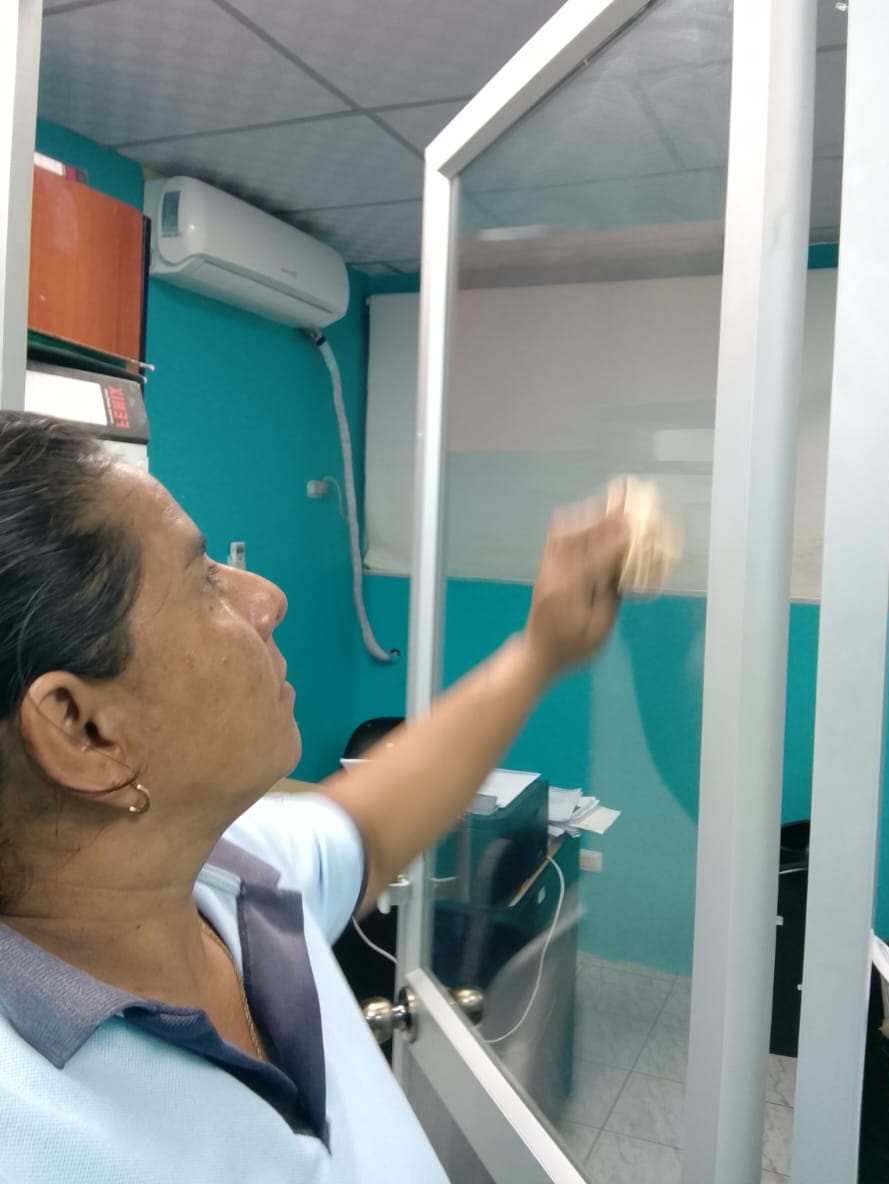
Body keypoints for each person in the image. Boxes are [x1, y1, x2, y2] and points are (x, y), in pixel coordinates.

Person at [0, 411, 630, 1184]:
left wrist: (541, 649)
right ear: (84, 729)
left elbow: (374, 818)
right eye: (203, 582)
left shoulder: (227, 876)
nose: (268, 598)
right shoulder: (33, 1140)